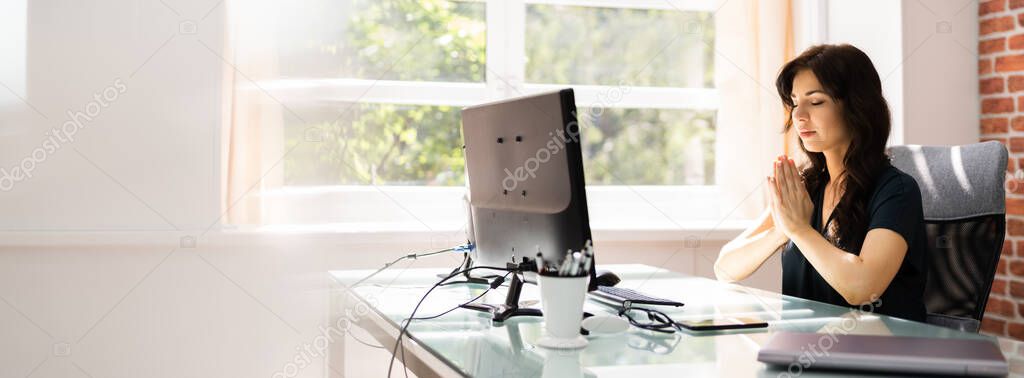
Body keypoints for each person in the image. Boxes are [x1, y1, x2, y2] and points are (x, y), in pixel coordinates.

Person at [713, 44, 928, 322]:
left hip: (879, 355)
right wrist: (782, 230)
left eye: (815, 102)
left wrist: (799, 230)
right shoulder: (806, 186)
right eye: (794, 102)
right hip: (802, 356)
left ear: (856, 107)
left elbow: (862, 289)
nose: (798, 115)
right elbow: (725, 268)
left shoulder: (897, 191)